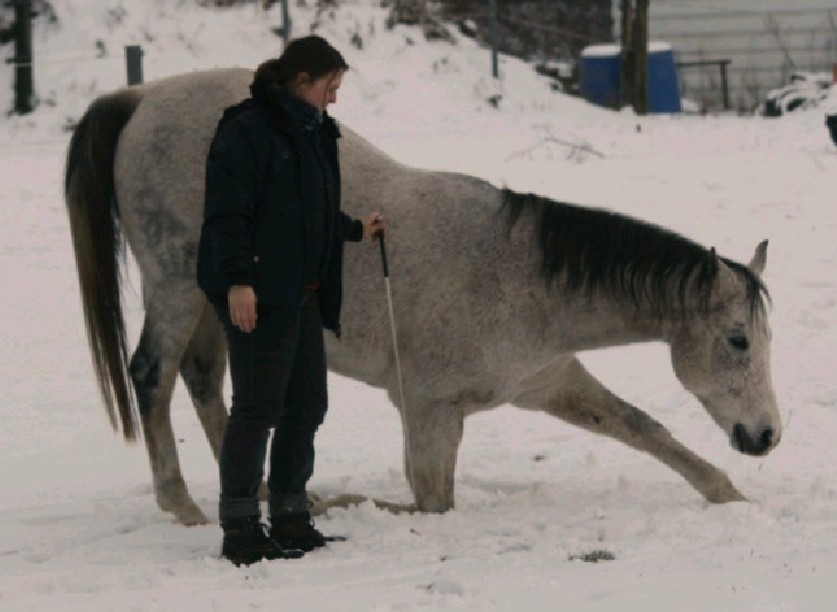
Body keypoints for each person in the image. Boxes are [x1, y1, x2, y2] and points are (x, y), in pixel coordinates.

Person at [197, 36, 384, 566]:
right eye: (330, 86)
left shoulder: (314, 131)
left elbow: (305, 207)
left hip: (300, 288)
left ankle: (290, 515)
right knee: (257, 408)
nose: (335, 98)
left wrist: (353, 230)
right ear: (302, 81)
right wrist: (237, 281)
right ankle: (239, 526)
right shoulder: (246, 131)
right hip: (254, 289)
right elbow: (226, 214)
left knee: (306, 405)